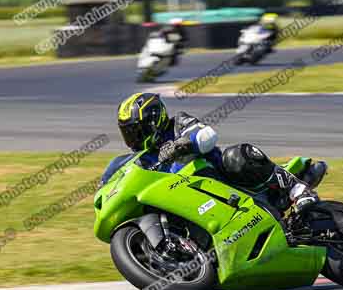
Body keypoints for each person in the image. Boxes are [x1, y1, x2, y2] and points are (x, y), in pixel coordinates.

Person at [101, 92, 327, 214]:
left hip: (226, 181)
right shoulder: (138, 159)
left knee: (237, 154)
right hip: (189, 201)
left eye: (135, 130)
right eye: (127, 132)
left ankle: (298, 190)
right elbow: (112, 182)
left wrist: (181, 144)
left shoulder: (177, 124)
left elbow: (206, 135)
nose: (132, 137)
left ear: (153, 120)